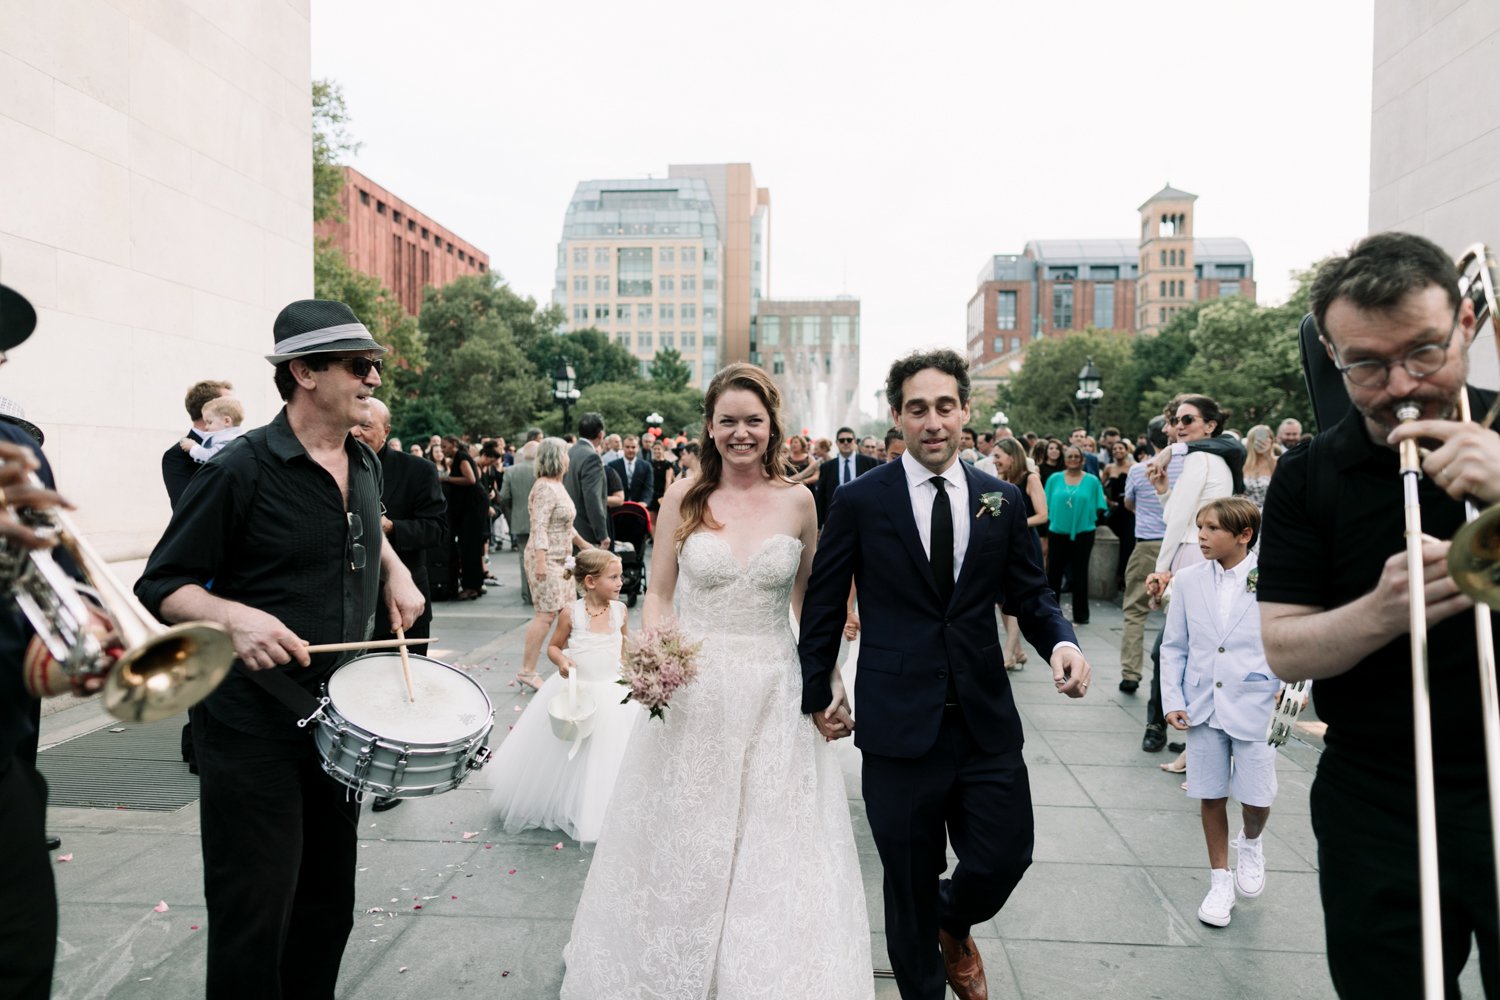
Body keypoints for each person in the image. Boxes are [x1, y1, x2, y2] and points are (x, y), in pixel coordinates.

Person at [133, 298, 424, 1000]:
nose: (374, 378)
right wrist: (235, 617)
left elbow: (364, 529)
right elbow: (162, 582)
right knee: (255, 912)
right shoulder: (241, 469)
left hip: (340, 721)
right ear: (304, 372)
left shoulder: (362, 460)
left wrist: (394, 568)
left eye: (374, 365)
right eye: (360, 365)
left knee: (328, 906)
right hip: (250, 726)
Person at [563, 363, 872, 999]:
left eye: (752, 421)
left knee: (773, 836)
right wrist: (656, 656)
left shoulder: (799, 502)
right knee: (688, 829)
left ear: (772, 427)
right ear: (710, 426)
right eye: (727, 420)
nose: (740, 433)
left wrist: (830, 677)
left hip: (773, 686)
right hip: (695, 686)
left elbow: (809, 601)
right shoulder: (684, 495)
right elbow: (660, 594)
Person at [800, 348, 1091, 1000]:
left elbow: (1031, 596)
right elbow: (822, 603)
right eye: (917, 409)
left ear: (965, 411)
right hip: (898, 725)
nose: (932, 421)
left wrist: (1061, 644)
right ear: (897, 417)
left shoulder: (1002, 500)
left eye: (945, 407)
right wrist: (817, 685)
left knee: (1005, 856)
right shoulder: (857, 500)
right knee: (905, 882)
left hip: (984, 720)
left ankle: (952, 920)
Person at [1259, 231, 1500, 996]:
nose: (1400, 385)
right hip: (1377, 793)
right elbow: (1285, 650)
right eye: (1366, 363)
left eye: (1424, 352)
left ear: (1465, 323)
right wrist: (1379, 610)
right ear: (1332, 355)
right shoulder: (1306, 478)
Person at [1161, 498, 1281, 928]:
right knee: (1209, 792)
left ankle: (1251, 842)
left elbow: (1288, 638)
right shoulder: (1190, 580)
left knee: (1256, 796)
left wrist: (1294, 685)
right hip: (1202, 704)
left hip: (1256, 701)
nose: (1202, 537)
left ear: (1244, 535)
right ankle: (1218, 880)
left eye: (1212, 529)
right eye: (1200, 527)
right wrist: (1173, 699)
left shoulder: (1275, 579)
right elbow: (1173, 645)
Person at [489, 549, 639, 842]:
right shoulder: (572, 613)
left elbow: (623, 648)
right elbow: (554, 646)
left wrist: (631, 673)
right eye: (614, 577)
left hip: (612, 688)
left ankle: (606, 802)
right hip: (579, 690)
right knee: (575, 746)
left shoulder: (620, 611)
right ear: (590, 581)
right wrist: (562, 661)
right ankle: (566, 800)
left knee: (608, 750)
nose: (621, 581)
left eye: (620, 576)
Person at [349, 398, 446, 814]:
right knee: (361, 687)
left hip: (405, 597)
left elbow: (437, 529)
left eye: (366, 427)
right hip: (352, 598)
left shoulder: (418, 471)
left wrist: (391, 527)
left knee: (403, 686)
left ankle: (394, 778)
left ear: (386, 431)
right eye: (353, 425)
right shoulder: (335, 465)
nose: (356, 433)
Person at [519, 438, 593, 691]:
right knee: (546, 614)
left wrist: (585, 546)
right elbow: (539, 526)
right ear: (556, 457)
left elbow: (566, 526)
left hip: (564, 560)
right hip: (546, 558)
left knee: (568, 612)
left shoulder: (558, 486)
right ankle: (527, 671)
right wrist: (540, 562)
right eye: (565, 454)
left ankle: (569, 663)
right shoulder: (543, 487)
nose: (568, 459)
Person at [991, 436, 1048, 670]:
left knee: (1014, 598)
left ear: (1012, 457)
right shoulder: (1000, 480)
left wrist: (1016, 523)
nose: (994, 461)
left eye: (997, 456)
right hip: (1002, 545)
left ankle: (1008, 653)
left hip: (1024, 544)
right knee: (1001, 600)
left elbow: (1043, 515)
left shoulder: (1030, 478)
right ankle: (1019, 651)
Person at [1043, 446, 1108, 626]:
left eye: (1076, 456)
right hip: (1057, 532)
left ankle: (1081, 614)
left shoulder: (1092, 481)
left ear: (1082, 460)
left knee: (1080, 573)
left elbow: (1099, 506)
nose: (1072, 459)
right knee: (1054, 573)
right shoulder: (1054, 479)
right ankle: (1051, 612)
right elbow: (1045, 505)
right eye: (1069, 456)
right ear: (1065, 459)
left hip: (1084, 532)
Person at [162, 378, 232, 507]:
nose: (236, 410)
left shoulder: (238, 444)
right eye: (229, 404)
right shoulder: (176, 456)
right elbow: (186, 509)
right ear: (207, 410)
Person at [498, 440, 538, 604]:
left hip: (520, 520)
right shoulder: (543, 471)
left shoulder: (511, 472)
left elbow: (504, 496)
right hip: (541, 521)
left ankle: (527, 594)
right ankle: (541, 594)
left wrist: (512, 512)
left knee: (524, 559)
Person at [564, 413, 611, 549]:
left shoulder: (570, 452)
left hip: (570, 527)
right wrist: (602, 534)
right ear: (601, 434)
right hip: (586, 530)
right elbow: (593, 498)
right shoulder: (592, 458)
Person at [816, 425, 878, 526]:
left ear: (855, 442)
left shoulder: (870, 463)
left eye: (849, 440)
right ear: (836, 443)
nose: (845, 443)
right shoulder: (826, 467)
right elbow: (821, 497)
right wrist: (819, 524)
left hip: (864, 517)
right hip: (835, 518)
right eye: (842, 440)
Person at [1102, 440, 1137, 591]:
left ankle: (1123, 578)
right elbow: (1101, 487)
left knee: (1127, 545)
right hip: (1114, 510)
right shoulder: (1109, 468)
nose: (1117, 451)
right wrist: (1108, 501)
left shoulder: (1134, 467)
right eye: (1115, 448)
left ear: (1126, 450)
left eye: (1120, 448)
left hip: (1129, 510)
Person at [179, 396, 246, 464]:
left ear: (227, 421)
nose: (206, 427)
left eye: (209, 422)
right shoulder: (231, 437)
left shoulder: (228, 440)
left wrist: (193, 447)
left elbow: (212, 458)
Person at [607, 434, 654, 507]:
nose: (630, 450)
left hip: (639, 508)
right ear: (622, 447)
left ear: (638, 448)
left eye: (633, 447)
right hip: (617, 509)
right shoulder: (612, 466)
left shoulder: (646, 466)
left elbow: (648, 488)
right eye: (627, 447)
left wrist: (644, 502)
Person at [1241, 424, 1278, 510]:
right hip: (1248, 515)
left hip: (1272, 514)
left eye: (1267, 437)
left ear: (1271, 441)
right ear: (1251, 441)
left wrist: (1267, 455)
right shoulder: (1243, 464)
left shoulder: (1279, 463)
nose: (1263, 441)